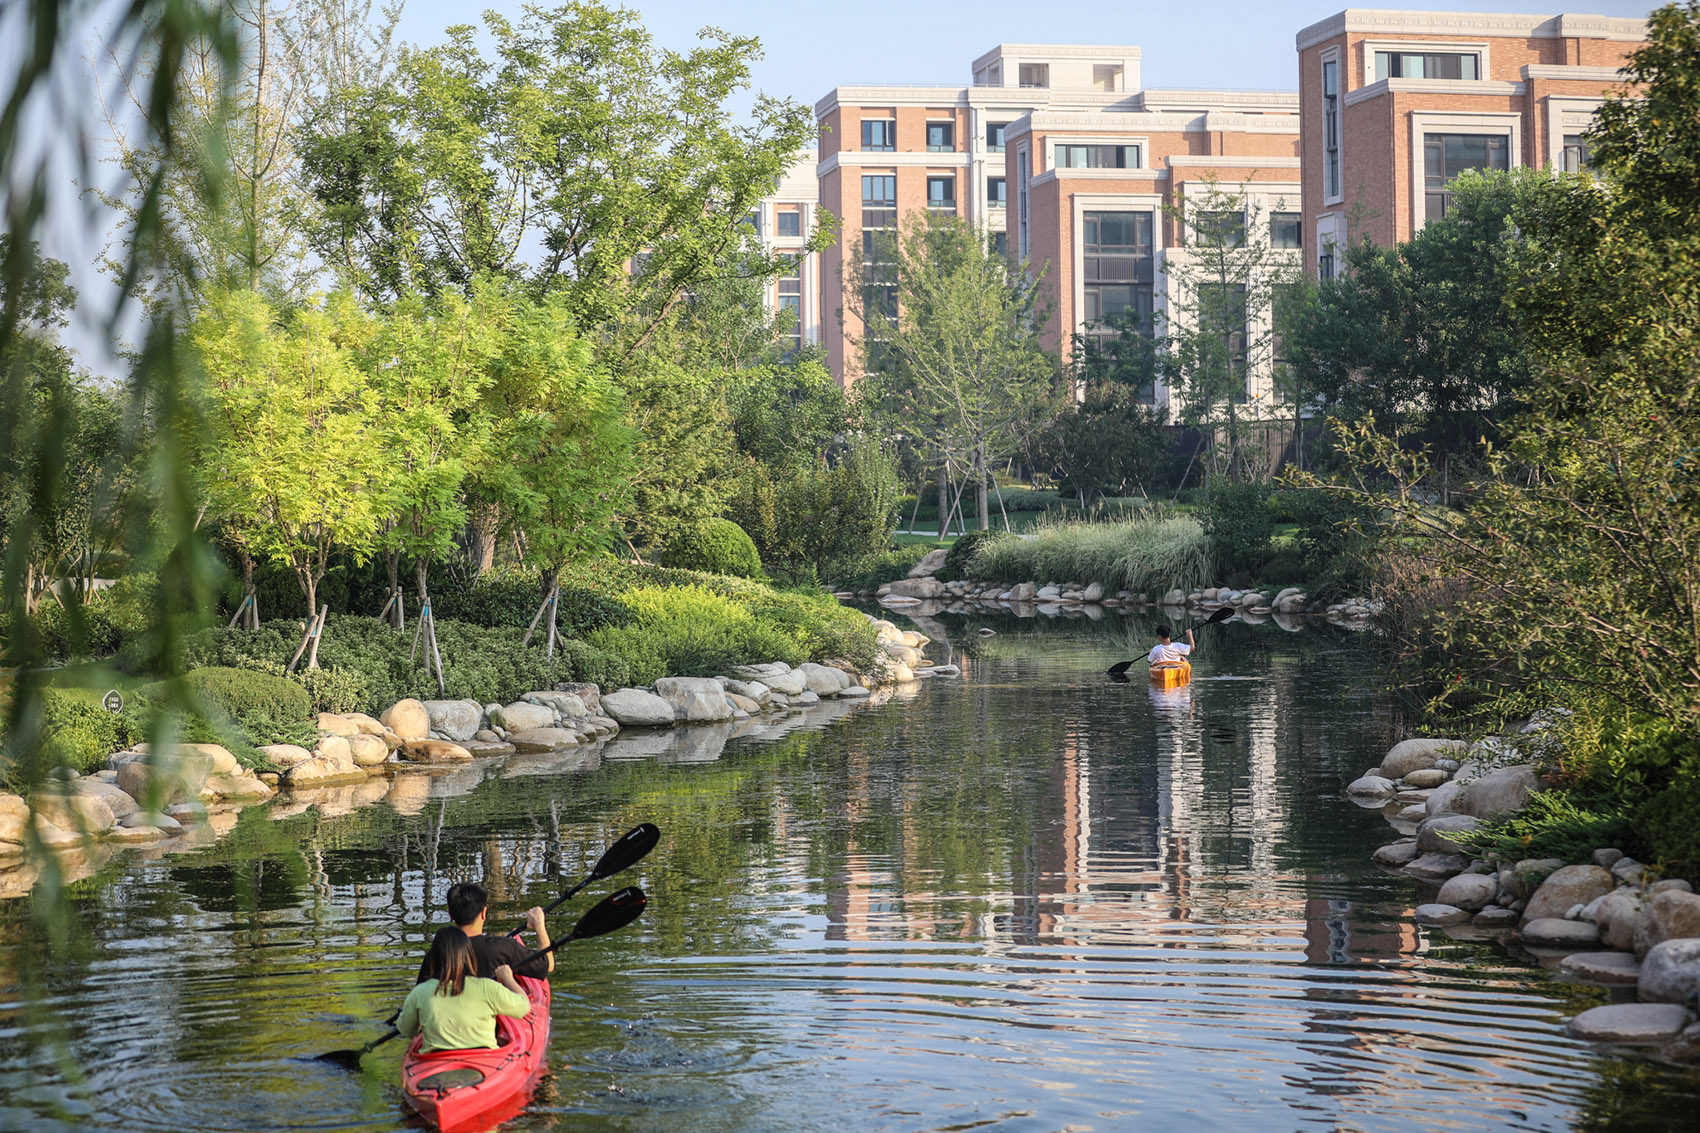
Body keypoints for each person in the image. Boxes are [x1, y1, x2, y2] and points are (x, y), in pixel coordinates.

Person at [397, 927, 533, 1053]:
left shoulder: (420, 992)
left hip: (435, 1061)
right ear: (468, 957)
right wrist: (508, 978)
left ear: (434, 959)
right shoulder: (488, 987)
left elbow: (406, 1030)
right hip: (485, 1059)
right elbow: (524, 1007)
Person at [416, 881, 555, 985]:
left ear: (450, 915)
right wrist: (539, 924)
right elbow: (547, 965)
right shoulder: (503, 948)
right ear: (484, 912)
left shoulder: (436, 954)